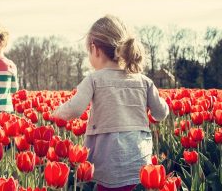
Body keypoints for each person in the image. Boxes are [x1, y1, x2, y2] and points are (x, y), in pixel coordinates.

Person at [52, 15, 169, 191]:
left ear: (95, 49)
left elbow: (75, 109)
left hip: (107, 164)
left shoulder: (94, 79)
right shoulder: (144, 81)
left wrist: (56, 113)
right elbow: (161, 113)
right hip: (140, 163)